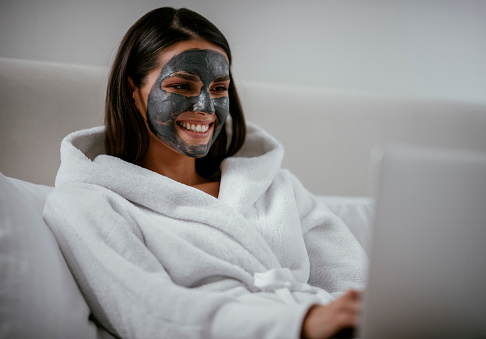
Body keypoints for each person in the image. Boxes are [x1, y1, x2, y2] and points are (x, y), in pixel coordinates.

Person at [43, 7, 368, 339]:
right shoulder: (88, 202)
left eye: (219, 89)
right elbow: (149, 313)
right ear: (133, 92)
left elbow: (355, 282)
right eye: (182, 86)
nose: (205, 107)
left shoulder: (276, 187)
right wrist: (300, 324)